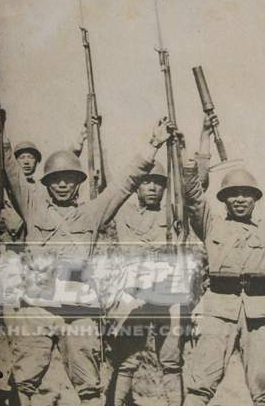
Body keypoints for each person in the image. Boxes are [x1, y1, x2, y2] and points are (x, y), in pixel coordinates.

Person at [0, 117, 173, 406]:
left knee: (89, 388)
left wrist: (153, 144)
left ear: (79, 182)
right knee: (23, 383)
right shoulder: (33, 207)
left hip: (79, 312)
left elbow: (126, 183)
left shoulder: (92, 213)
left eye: (69, 178)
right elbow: (10, 168)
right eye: (56, 179)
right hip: (37, 309)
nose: (63, 184)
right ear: (47, 183)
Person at [182, 163, 265, 406]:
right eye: (233, 194)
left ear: (255, 198)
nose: (240, 199)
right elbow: (193, 199)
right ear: (224, 199)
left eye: (246, 194)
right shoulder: (211, 225)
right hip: (219, 311)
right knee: (200, 385)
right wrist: (190, 168)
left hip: (261, 314)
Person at [108, 162, 185, 405]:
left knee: (171, 361)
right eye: (146, 182)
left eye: (159, 183)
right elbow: (109, 188)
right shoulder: (123, 212)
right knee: (126, 360)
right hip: (134, 295)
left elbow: (196, 188)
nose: (153, 188)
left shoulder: (175, 212)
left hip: (167, 296)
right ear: (137, 186)